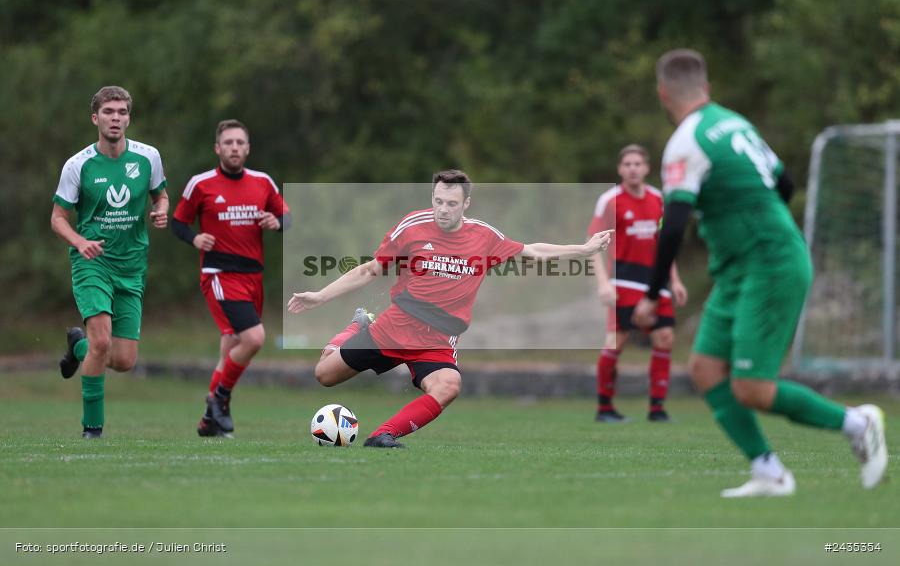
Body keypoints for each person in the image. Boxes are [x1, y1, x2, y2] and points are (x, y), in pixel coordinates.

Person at [633, 49, 888, 496]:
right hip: (743, 265)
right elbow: (784, 184)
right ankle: (769, 473)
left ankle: (857, 423)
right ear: (706, 88)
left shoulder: (686, 142)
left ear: (662, 94)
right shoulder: (735, 123)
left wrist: (652, 296)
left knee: (752, 388)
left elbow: (673, 224)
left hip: (769, 265)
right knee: (706, 368)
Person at [288, 170, 612, 448]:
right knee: (324, 375)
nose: (443, 210)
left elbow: (532, 251)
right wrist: (321, 296)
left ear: (466, 204)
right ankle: (358, 326)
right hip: (396, 325)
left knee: (449, 385)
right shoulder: (412, 226)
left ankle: (382, 436)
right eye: (438, 201)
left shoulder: (484, 236)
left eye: (452, 204)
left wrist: (583, 250)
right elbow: (371, 270)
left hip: (438, 338)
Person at [52, 86, 168, 439]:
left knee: (124, 360)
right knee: (101, 344)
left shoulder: (148, 157)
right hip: (93, 263)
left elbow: (161, 196)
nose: (115, 118)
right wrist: (80, 242)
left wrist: (161, 211)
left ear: (128, 118)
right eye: (108, 112)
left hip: (131, 266)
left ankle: (78, 346)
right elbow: (58, 218)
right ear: (95, 118)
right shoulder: (78, 165)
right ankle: (93, 429)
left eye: (121, 112)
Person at [171, 120, 290, 437]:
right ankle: (220, 399)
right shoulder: (201, 184)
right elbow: (178, 223)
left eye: (239, 142)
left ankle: (209, 421)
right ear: (218, 148)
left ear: (247, 148)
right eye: (228, 142)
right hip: (220, 274)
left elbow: (287, 217)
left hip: (253, 276)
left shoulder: (262, 182)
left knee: (231, 349)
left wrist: (276, 222)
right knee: (254, 338)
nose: (234, 147)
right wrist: (195, 239)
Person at [589, 144, 688, 423]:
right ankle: (604, 408)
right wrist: (603, 284)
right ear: (620, 169)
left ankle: (657, 409)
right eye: (627, 164)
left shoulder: (658, 199)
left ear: (647, 168)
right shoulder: (610, 200)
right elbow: (592, 244)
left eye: (637, 164)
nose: (632, 169)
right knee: (616, 342)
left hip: (656, 281)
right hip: (623, 280)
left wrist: (675, 279)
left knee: (665, 338)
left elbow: (665, 245)